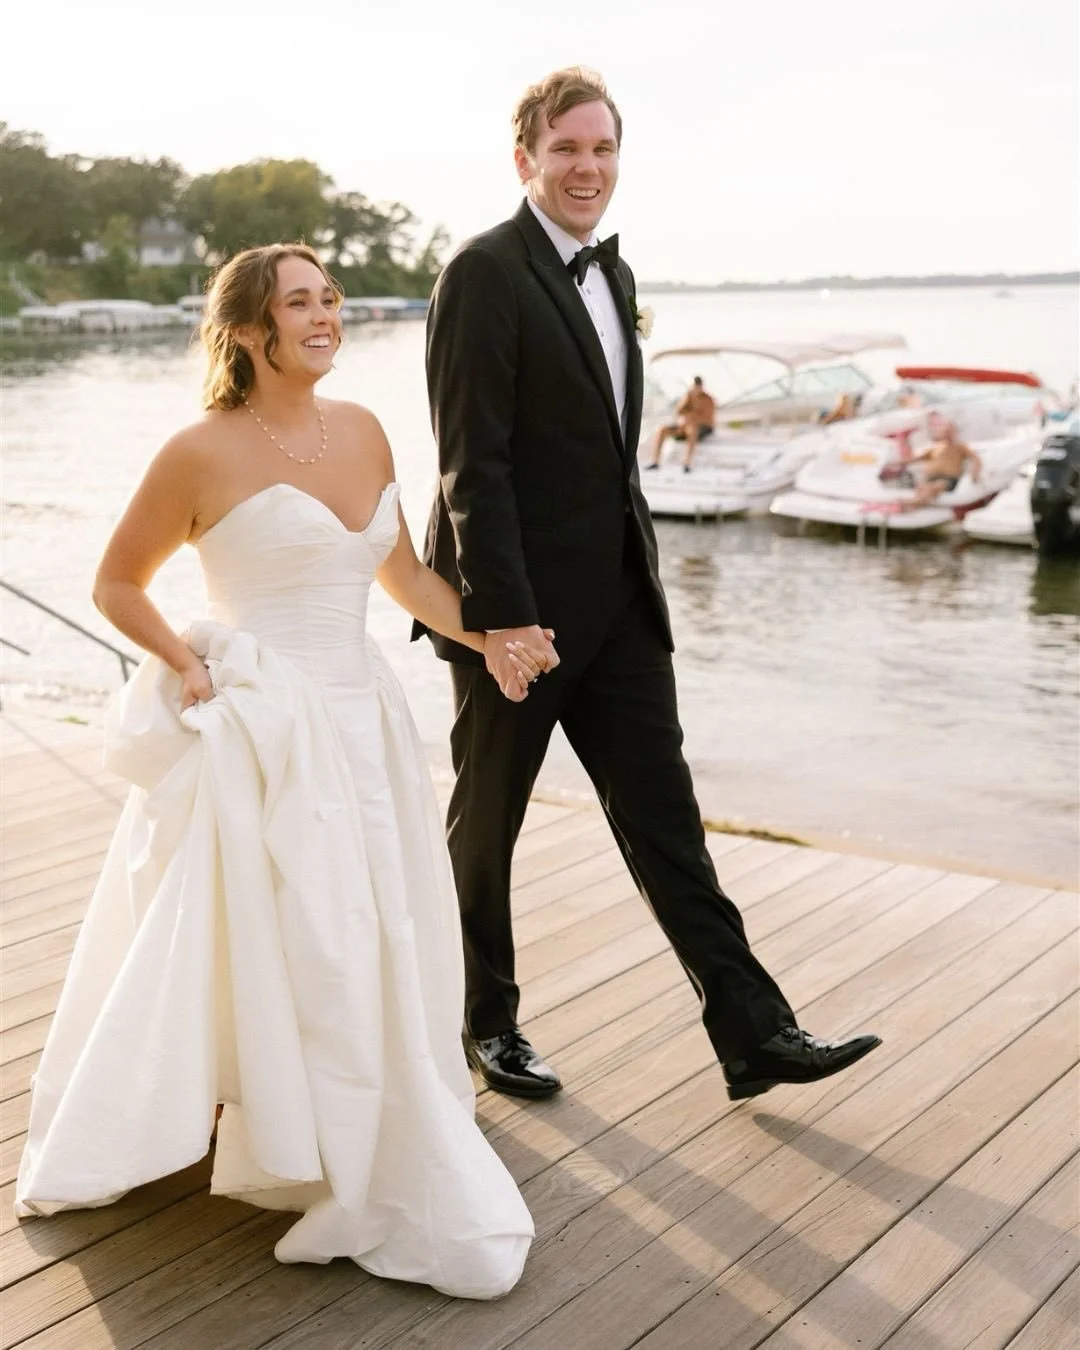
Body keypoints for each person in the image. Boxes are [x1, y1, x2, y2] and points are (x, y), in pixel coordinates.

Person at [14, 243, 540, 1301]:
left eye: (330, 298)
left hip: (365, 727)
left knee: (368, 929)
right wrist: (184, 663)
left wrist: (491, 639)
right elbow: (117, 581)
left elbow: (403, 579)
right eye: (300, 302)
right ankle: (258, 1113)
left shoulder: (367, 430)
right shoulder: (199, 450)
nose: (326, 315)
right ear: (248, 331)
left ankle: (343, 1115)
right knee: (273, 930)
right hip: (261, 729)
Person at [415, 68, 881, 1103]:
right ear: (525, 158)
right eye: (568, 149)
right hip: (518, 621)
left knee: (668, 821)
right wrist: (503, 618)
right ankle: (486, 1026)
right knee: (487, 825)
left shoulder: (613, 279)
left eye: (604, 149)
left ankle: (755, 1033)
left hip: (622, 608)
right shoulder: (483, 273)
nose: (588, 168)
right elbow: (469, 463)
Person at [906, 409, 983, 507]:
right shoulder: (935, 447)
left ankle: (914, 503)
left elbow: (976, 458)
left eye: (949, 430)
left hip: (947, 479)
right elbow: (916, 459)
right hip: (931, 478)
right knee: (923, 486)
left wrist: (975, 472)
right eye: (945, 430)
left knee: (935, 486)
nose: (947, 432)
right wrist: (895, 463)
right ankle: (917, 503)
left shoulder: (960, 446)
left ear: (954, 432)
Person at [645, 375, 716, 471]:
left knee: (692, 430)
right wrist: (686, 415)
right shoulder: (687, 396)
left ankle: (687, 463)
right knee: (662, 429)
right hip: (684, 426)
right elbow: (679, 412)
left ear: (701, 386)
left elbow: (707, 419)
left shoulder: (708, 399)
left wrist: (690, 418)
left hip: (702, 428)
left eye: (697, 386)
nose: (695, 389)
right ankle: (655, 462)